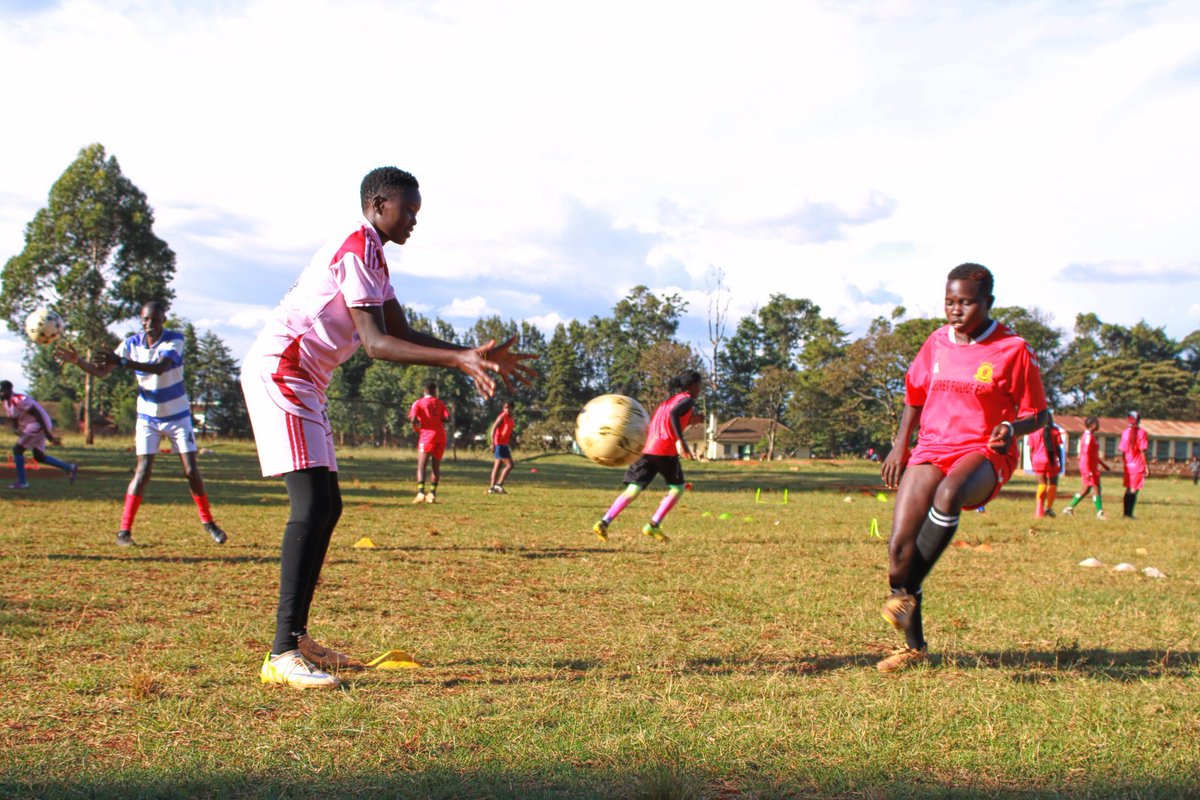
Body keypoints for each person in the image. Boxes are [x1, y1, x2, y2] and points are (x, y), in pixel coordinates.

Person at [241, 166, 535, 689]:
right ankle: (282, 654)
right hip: (282, 371)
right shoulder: (357, 246)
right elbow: (377, 346)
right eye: (409, 210)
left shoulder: (374, 256)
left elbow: (398, 329)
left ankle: (297, 638)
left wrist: (467, 353)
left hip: (307, 379)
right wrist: (458, 362)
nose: (415, 221)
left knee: (328, 505)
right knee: (310, 506)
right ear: (379, 204)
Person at [879, 263, 1048, 673]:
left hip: (984, 451)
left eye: (966, 302)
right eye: (950, 302)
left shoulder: (1013, 348)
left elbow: (1040, 415)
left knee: (949, 494)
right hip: (932, 447)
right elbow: (915, 395)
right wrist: (901, 445)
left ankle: (906, 595)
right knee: (899, 552)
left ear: (988, 302)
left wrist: (1011, 427)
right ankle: (914, 646)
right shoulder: (937, 342)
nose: (956, 310)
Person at [55, 302, 227, 547]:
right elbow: (102, 372)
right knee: (143, 470)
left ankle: (209, 522)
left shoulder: (174, 340)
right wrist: (77, 361)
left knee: (190, 470)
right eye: (146, 319)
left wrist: (123, 363)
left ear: (163, 320)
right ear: (141, 319)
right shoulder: (131, 343)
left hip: (178, 416)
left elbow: (159, 368)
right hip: (148, 417)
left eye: (155, 320)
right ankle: (124, 531)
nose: (150, 324)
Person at [592, 370, 702, 543]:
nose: (700, 389)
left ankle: (604, 522)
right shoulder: (687, 399)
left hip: (647, 448)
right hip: (665, 449)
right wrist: (681, 441)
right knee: (677, 488)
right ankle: (653, 525)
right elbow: (674, 415)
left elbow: (667, 419)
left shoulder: (667, 402)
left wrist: (690, 420)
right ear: (692, 385)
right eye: (699, 385)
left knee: (634, 489)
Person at [1, 380, 78, 489]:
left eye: (2, 391)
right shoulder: (6, 403)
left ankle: (22, 482)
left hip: (38, 424)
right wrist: (16, 428)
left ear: (9, 390)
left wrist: (48, 435)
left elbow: (38, 414)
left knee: (17, 450)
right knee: (39, 456)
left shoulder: (20, 400)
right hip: (31, 425)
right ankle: (70, 467)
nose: (1, 394)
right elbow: (14, 418)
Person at [409, 380, 449, 504]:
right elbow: (446, 418)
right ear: (434, 390)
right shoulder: (440, 403)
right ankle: (432, 494)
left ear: (424, 390)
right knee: (435, 466)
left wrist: (416, 425)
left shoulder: (419, 403)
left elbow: (413, 418)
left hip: (427, 436)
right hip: (440, 436)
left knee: (421, 466)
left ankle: (421, 492)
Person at [1062, 416, 1109, 519]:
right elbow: (1086, 453)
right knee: (1096, 488)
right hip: (1088, 467)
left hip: (1091, 466)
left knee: (1086, 489)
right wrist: (1088, 470)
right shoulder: (1088, 436)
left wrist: (1103, 464)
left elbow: (1093, 454)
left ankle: (1069, 508)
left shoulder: (1091, 436)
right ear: (1092, 425)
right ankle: (1100, 512)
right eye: (1097, 423)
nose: (1098, 425)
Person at [1026, 415, 1062, 518]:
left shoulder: (1033, 431)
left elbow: (1031, 450)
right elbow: (1058, 448)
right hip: (1051, 460)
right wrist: (1060, 462)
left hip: (1038, 460)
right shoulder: (1054, 430)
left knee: (1042, 484)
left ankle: (1039, 510)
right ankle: (1049, 508)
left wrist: (1032, 462)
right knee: (1053, 484)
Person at [1118, 411, 1149, 519]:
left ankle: (1126, 513)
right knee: (1134, 490)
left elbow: (1122, 451)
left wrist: (1125, 463)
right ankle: (1129, 514)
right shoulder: (1142, 433)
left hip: (1128, 464)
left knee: (1128, 489)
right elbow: (1142, 451)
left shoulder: (1124, 433)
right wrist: (1146, 466)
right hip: (1137, 464)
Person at [487, 400, 515, 494]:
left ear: (512, 408)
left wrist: (512, 441)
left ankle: (492, 488)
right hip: (499, 444)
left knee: (497, 466)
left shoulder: (510, 418)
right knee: (510, 465)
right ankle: (499, 485)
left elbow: (508, 432)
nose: (506, 410)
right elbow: (493, 428)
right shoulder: (502, 416)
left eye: (508, 408)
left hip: (504, 444)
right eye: (505, 408)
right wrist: (492, 443)